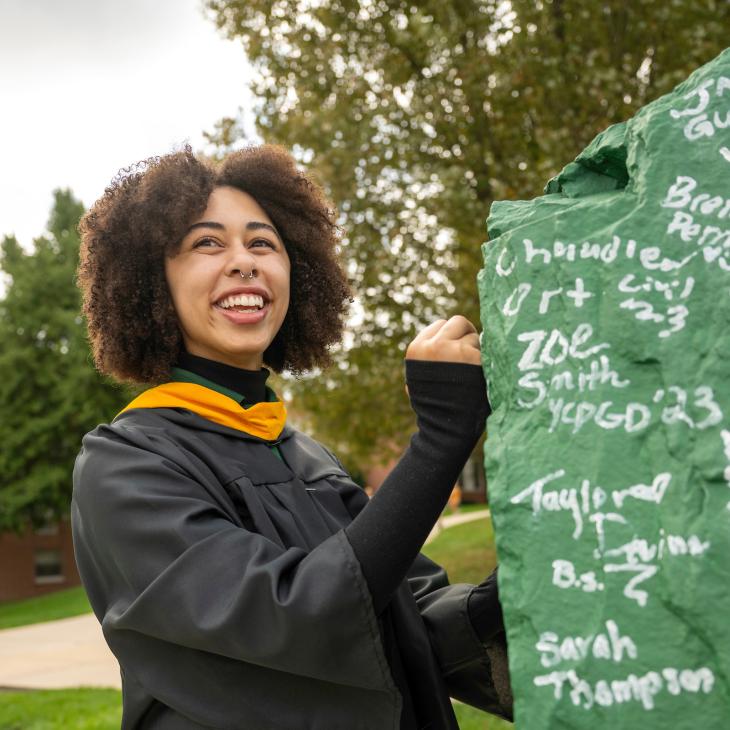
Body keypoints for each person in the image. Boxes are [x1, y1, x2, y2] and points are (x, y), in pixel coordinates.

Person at [72, 145, 512, 730]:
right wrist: (440, 440)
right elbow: (297, 618)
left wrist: (539, 575)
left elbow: (410, 613)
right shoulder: (126, 465)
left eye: (263, 243)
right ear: (151, 282)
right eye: (208, 243)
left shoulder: (303, 454)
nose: (244, 262)